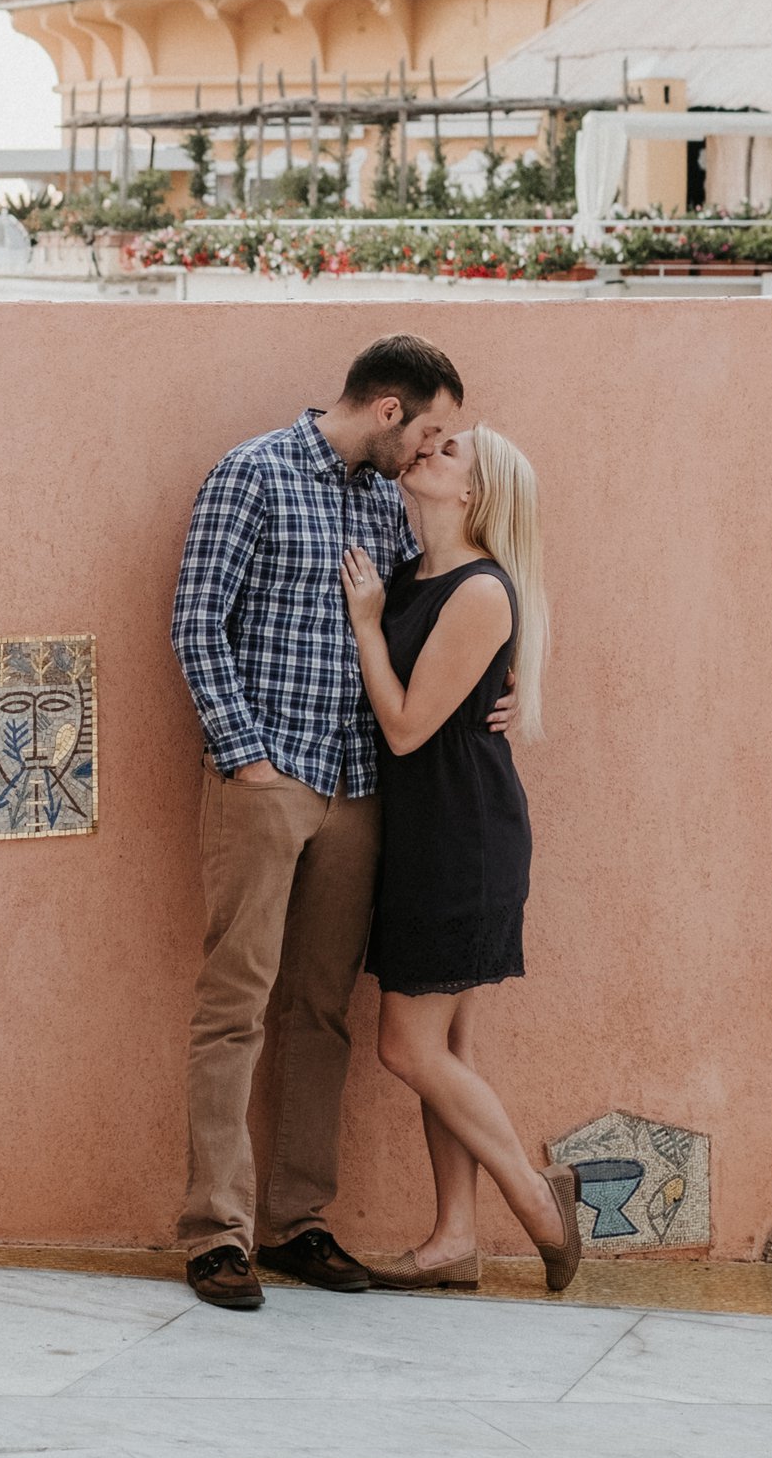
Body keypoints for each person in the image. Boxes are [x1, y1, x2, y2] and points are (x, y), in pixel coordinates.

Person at [170, 334, 466, 1312]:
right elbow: (195, 619)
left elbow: (440, 619)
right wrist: (244, 757)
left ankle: (298, 1224)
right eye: (428, 431)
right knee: (235, 1006)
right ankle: (219, 1235)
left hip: (359, 789)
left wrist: (495, 697)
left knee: (324, 1013)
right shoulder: (251, 474)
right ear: (388, 410)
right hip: (268, 779)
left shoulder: (389, 502)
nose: (431, 452)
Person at [340, 422, 580, 1296]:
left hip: (460, 842)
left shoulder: (479, 591)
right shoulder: (414, 574)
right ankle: (452, 1240)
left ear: (473, 493)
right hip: (427, 834)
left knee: (406, 1048)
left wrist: (366, 625)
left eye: (449, 455)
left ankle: (540, 1202)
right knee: (447, 1053)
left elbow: (405, 728)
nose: (427, 455)